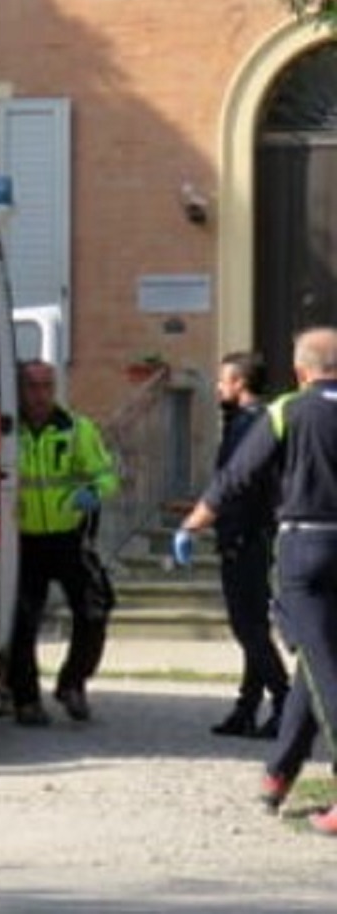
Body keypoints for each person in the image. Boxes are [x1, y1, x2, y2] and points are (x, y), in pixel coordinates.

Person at [174, 327, 337, 836]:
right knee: (316, 659)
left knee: (326, 666)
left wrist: (193, 523)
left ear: (302, 370)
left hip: (303, 549)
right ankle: (280, 772)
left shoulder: (287, 410)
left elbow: (238, 475)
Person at [9, 359, 120, 726]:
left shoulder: (76, 428)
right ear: (19, 390)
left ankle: (72, 683)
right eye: (32, 387)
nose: (40, 395)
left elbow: (107, 477)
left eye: (46, 386)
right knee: (23, 622)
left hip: (70, 538)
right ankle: (25, 699)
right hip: (22, 541)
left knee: (95, 610)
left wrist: (92, 491)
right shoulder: (6, 431)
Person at [206, 351, 289, 739]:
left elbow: (242, 484)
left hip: (246, 535)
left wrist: (229, 530)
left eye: (224, 380)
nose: (218, 386)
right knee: (252, 626)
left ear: (239, 383)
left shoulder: (250, 425)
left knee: (249, 628)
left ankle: (284, 701)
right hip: (249, 533)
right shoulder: (247, 422)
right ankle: (247, 707)